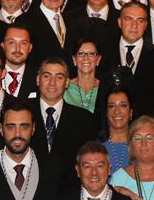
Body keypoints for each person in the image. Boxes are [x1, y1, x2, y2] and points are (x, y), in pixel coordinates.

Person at [29, 56, 100, 190]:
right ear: (38, 80)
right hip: (29, 196)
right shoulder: (24, 114)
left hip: (69, 198)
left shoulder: (84, 119)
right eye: (47, 76)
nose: (52, 82)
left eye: (59, 77)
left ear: (67, 82)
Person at [101, 87, 134, 175]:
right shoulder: (97, 147)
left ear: (131, 112)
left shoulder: (141, 145)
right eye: (111, 106)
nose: (117, 111)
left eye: (123, 105)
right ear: (106, 112)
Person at [65, 37, 101, 113]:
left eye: (91, 54)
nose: (85, 58)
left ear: (98, 59)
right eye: (80, 53)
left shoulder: (104, 88)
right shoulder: (65, 89)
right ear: (74, 59)